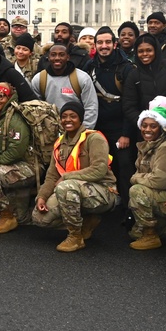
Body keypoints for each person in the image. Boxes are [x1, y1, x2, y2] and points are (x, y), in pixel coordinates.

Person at [30, 101, 118, 252]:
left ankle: (75, 236)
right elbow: (52, 176)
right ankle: (86, 220)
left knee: (65, 187)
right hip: (72, 190)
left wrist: (66, 177)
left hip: (103, 190)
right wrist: (42, 197)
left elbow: (99, 170)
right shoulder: (59, 143)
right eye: (64, 116)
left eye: (73, 116)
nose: (68, 120)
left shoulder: (93, 138)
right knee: (39, 218)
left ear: (80, 119)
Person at [84, 27, 135, 210]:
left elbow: (131, 103)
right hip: (97, 128)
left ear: (115, 44)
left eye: (107, 42)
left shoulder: (126, 68)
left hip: (120, 129)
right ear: (95, 45)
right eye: (100, 43)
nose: (103, 46)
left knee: (124, 167)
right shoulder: (89, 67)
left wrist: (126, 133)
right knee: (98, 167)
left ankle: (129, 211)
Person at [0, 83, 37, 233]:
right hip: (14, 166)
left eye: (0, 96)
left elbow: (16, 151)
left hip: (28, 167)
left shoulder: (15, 118)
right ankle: (16, 213)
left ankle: (6, 216)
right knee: (22, 219)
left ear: (9, 97)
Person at [127, 99, 166, 250]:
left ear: (161, 128)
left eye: (153, 126)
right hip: (155, 192)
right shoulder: (145, 146)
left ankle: (150, 236)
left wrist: (135, 178)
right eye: (144, 125)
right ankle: (163, 227)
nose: (147, 129)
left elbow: (161, 180)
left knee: (136, 190)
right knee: (134, 234)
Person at [30, 43, 98, 128]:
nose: (57, 58)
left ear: (68, 57)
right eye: (53, 55)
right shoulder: (39, 79)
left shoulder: (82, 78)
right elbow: (34, 109)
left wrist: (84, 132)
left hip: (76, 129)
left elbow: (91, 107)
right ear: (48, 57)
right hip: (48, 131)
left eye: (62, 55)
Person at [121, 33, 166, 128]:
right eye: (140, 51)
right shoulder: (134, 75)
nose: (145, 54)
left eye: (149, 50)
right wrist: (144, 123)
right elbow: (129, 106)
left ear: (156, 50)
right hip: (146, 129)